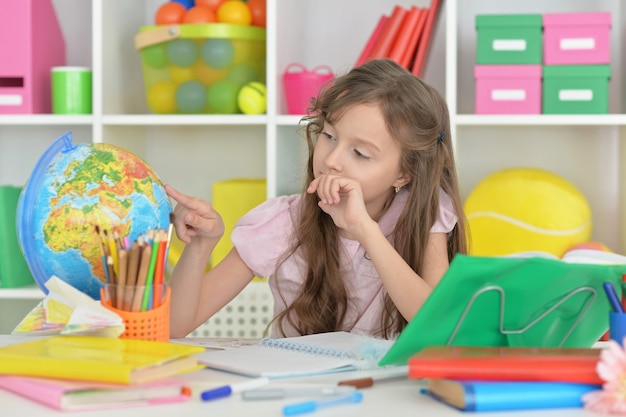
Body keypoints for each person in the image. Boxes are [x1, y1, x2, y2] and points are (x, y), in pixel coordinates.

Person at [166, 58, 468, 340]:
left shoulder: (424, 213)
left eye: (360, 153)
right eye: (329, 136)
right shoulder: (282, 223)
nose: (332, 160)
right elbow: (176, 327)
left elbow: (437, 325)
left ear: (405, 174)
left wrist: (365, 230)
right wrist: (200, 247)